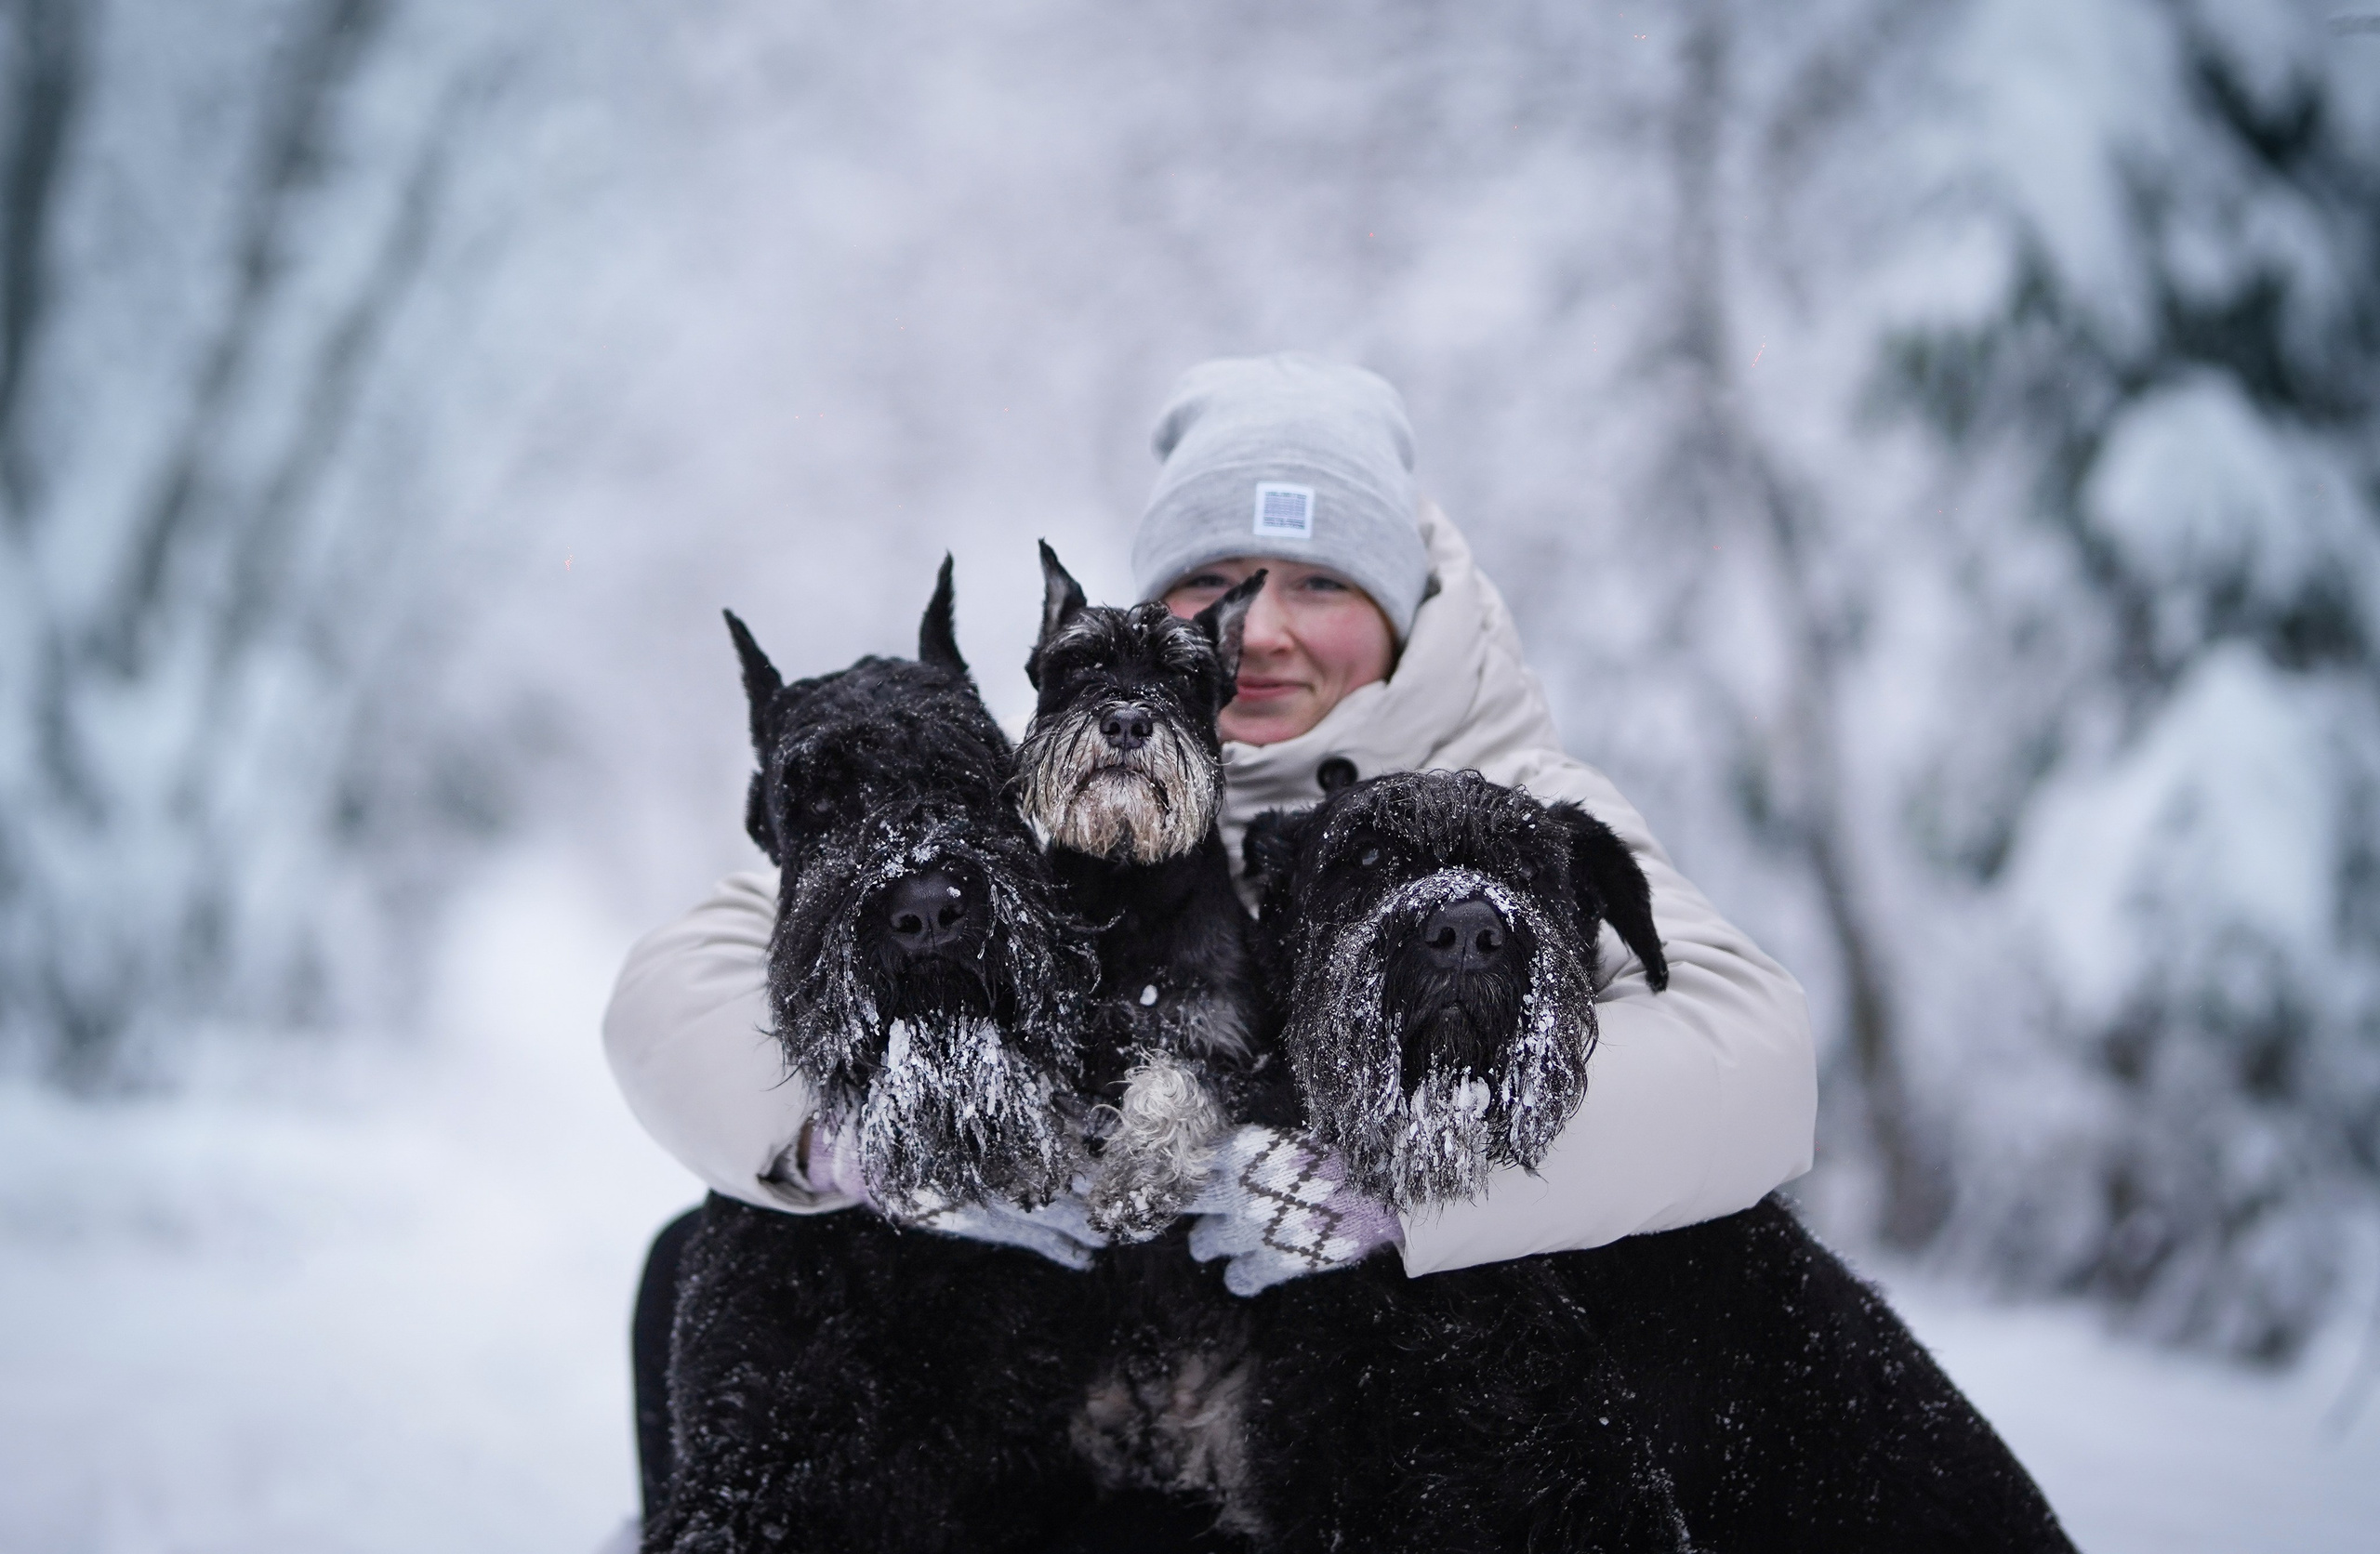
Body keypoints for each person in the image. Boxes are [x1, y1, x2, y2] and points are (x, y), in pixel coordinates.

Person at [603, 353, 1816, 1528]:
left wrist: (1414, 1195)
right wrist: (848, 1151)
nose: (1274, 630)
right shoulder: (1033, 789)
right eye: (1226, 579)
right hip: (1087, 1362)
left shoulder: (1505, 785)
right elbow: (685, 979)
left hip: (1360, 1376)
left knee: (1704, 1272)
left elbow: (1752, 1060)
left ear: (1400, 606)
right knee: (711, 1254)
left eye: (1325, 584)